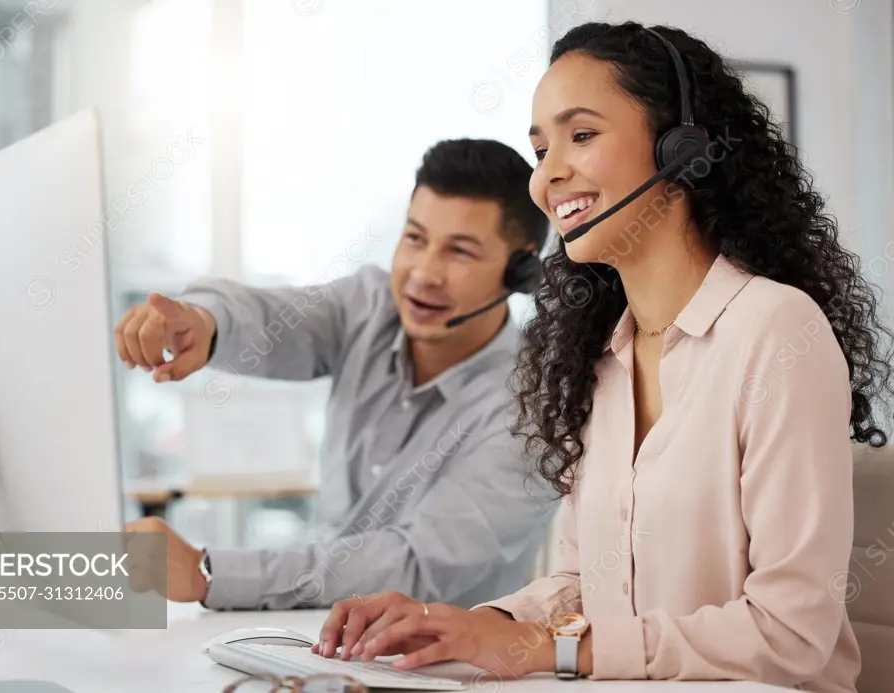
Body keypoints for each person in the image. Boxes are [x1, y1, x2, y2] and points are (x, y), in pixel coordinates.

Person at [314, 21, 894, 692]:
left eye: (581, 135)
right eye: (540, 148)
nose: (547, 175)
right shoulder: (601, 353)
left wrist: (551, 648)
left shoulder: (774, 330)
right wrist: (464, 625)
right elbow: (583, 581)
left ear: (679, 148)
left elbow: (789, 634)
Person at [118, 138, 555, 610]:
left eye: (460, 252)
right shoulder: (367, 308)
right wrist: (204, 322)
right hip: (314, 643)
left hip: (443, 674)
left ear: (522, 272)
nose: (423, 273)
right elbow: (272, 318)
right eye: (415, 239)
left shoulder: (531, 411)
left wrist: (209, 573)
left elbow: (413, 566)